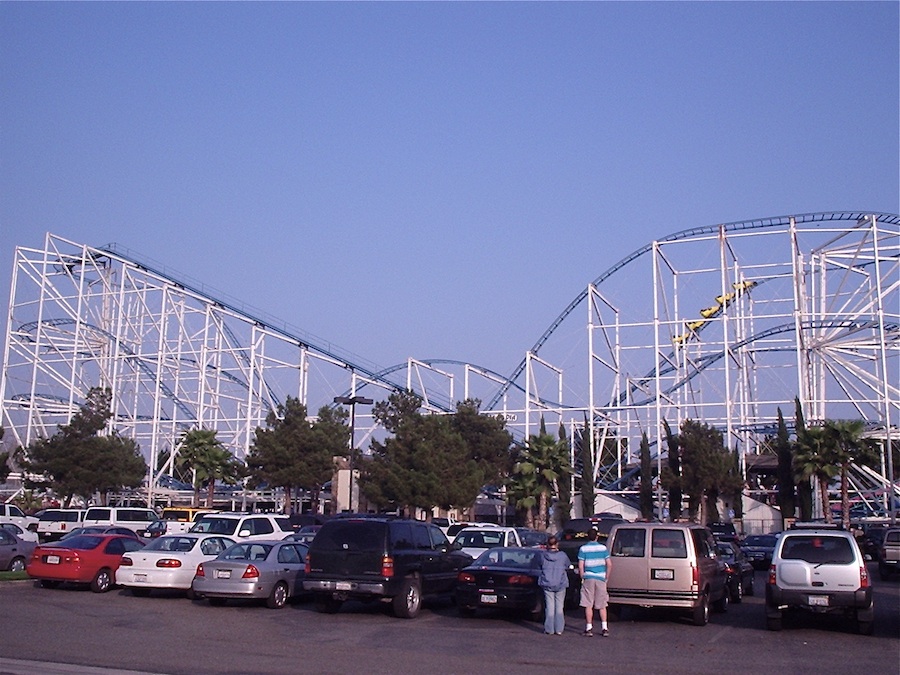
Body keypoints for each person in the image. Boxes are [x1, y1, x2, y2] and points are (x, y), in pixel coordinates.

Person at [578, 527, 611, 637]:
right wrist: (606, 577)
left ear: (588, 537)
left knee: (588, 604)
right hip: (600, 578)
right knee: (602, 604)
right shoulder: (603, 548)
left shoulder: (583, 549)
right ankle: (604, 627)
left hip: (589, 577)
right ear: (597, 536)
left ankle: (589, 628)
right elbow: (609, 564)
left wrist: (582, 576)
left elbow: (581, 565)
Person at [538, 535, 570, 635]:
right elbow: (568, 565)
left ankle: (549, 629)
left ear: (547, 544)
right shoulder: (563, 555)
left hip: (547, 582)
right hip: (560, 582)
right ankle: (559, 629)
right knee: (559, 607)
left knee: (550, 606)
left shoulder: (543, 555)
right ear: (557, 544)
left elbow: (539, 565)